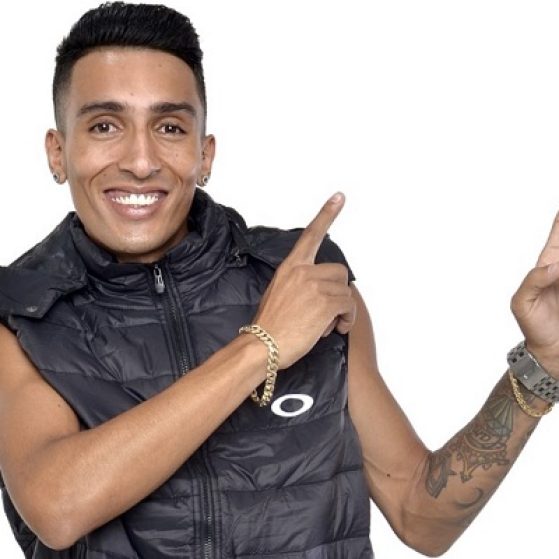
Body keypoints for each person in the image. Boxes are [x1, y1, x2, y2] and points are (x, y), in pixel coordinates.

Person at [0, 2, 558, 558]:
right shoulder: (21, 312)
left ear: (204, 154)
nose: (141, 161)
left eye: (169, 127)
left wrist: (540, 368)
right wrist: (262, 345)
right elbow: (58, 507)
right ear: (58, 152)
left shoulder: (303, 279)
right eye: (104, 126)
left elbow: (422, 517)